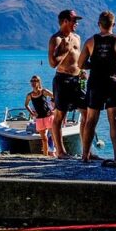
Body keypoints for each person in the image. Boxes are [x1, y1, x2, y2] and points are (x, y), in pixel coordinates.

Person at [77, 10, 116, 167]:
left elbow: (80, 64)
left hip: (95, 83)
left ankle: (85, 155)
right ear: (113, 24)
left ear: (99, 24)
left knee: (90, 120)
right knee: (115, 121)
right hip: (112, 83)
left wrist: (93, 65)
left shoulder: (90, 42)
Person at [47, 9, 86, 159]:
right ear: (64, 21)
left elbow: (79, 58)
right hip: (62, 79)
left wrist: (82, 70)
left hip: (78, 80)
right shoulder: (56, 39)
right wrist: (65, 50)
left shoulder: (77, 37)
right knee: (59, 116)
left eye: (76, 21)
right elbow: (52, 63)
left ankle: (86, 151)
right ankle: (61, 152)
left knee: (86, 114)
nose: (76, 23)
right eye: (73, 20)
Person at [24, 75, 55, 155]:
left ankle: (59, 154)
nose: (33, 82)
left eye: (35, 81)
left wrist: (53, 110)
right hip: (39, 118)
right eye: (32, 81)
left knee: (54, 136)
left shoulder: (44, 91)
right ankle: (46, 156)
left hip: (48, 117)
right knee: (44, 139)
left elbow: (56, 97)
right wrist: (31, 113)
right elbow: (26, 104)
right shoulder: (30, 95)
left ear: (39, 82)